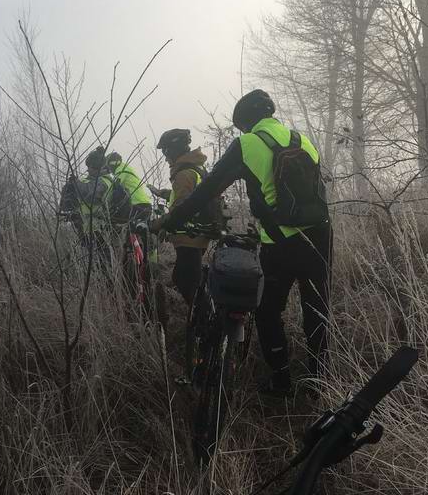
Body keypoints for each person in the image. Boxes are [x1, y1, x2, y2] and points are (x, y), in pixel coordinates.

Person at [151, 89, 332, 396]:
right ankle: (318, 382)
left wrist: (172, 220)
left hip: (280, 241)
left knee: (267, 311)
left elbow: (206, 190)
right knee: (316, 308)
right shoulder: (301, 140)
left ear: (245, 123)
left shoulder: (247, 144)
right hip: (321, 234)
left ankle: (281, 381)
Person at [155, 128, 210, 305]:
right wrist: (164, 193)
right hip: (195, 235)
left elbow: (181, 208)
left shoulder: (184, 173)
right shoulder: (194, 169)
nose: (165, 157)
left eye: (165, 151)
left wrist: (160, 225)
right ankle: (201, 318)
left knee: (188, 284)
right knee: (184, 279)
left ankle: (202, 327)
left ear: (173, 150)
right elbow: (190, 197)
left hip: (190, 237)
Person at [104, 151, 153, 223]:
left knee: (116, 221)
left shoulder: (121, 170)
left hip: (137, 205)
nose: (110, 171)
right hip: (144, 204)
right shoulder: (125, 167)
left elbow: (114, 188)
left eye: (109, 168)